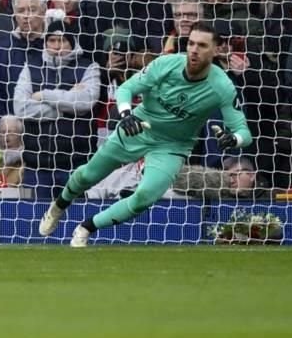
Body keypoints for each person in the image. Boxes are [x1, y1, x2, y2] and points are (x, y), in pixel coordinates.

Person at [39, 22, 253, 247]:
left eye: (201, 45)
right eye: (191, 43)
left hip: (172, 147)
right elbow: (126, 89)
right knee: (88, 177)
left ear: (216, 50)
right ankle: (58, 207)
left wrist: (234, 139)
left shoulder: (223, 86)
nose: (194, 50)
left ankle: (86, 228)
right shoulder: (165, 64)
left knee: (145, 197)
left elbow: (243, 131)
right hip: (138, 128)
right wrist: (126, 113)